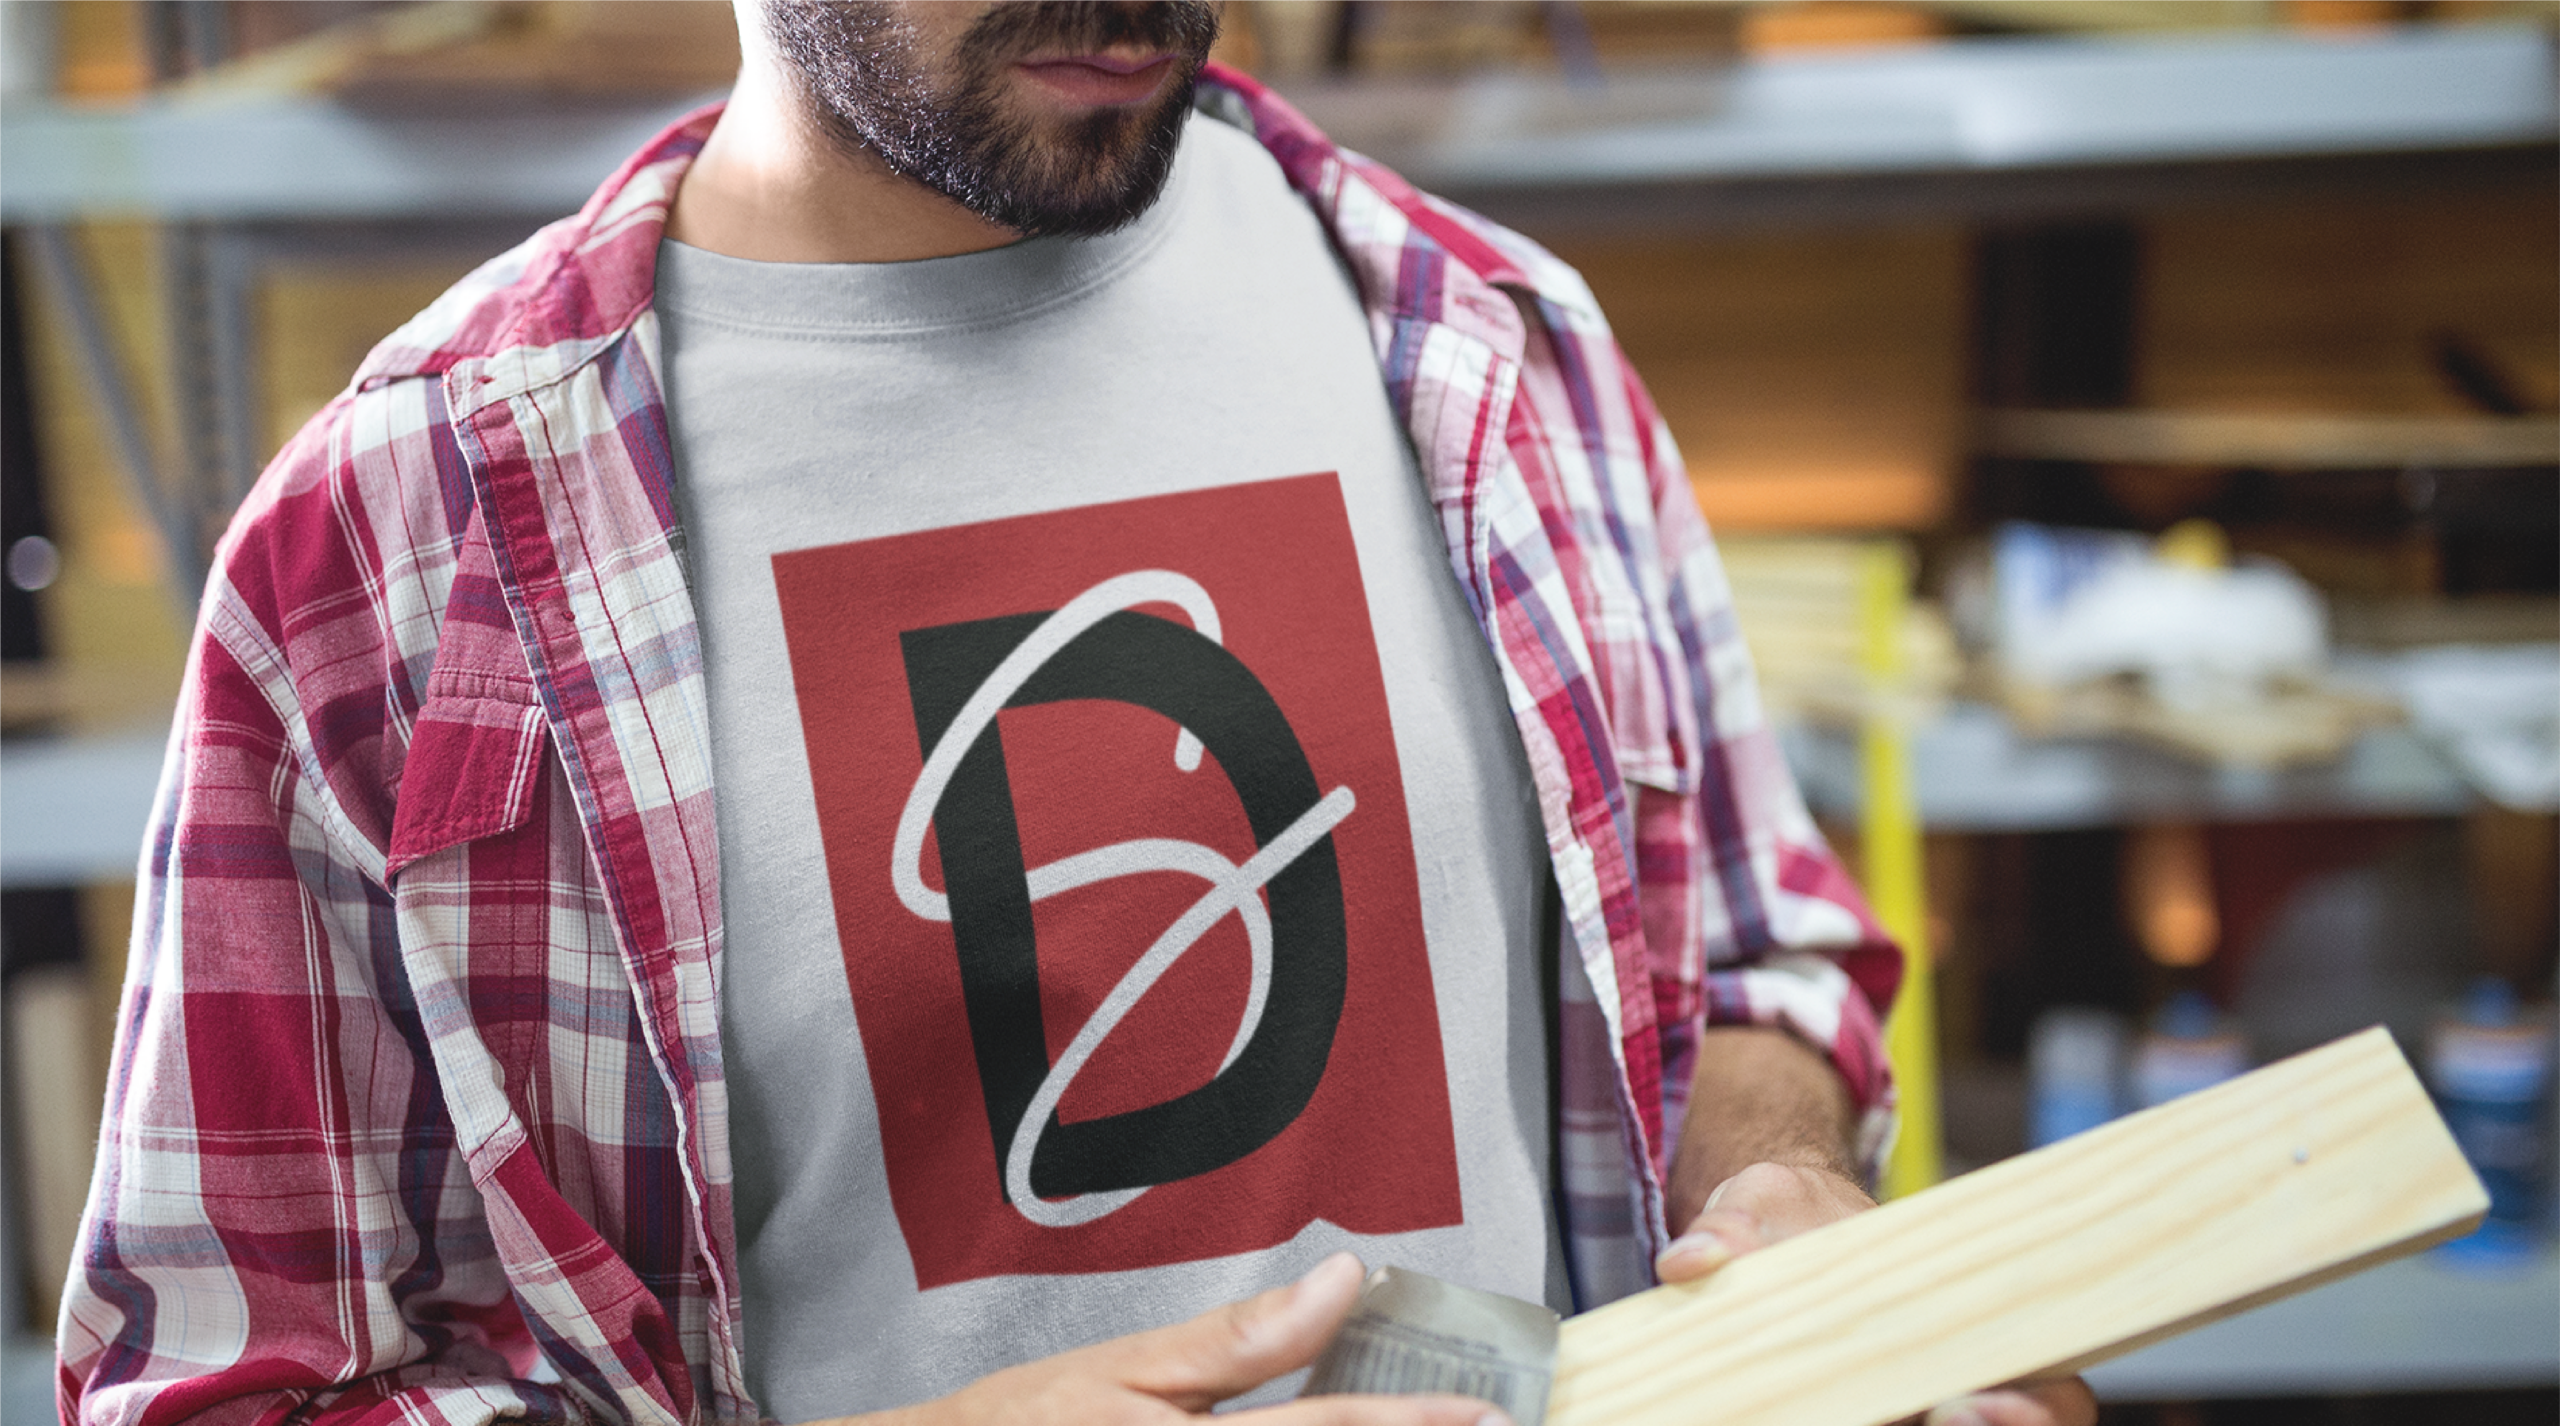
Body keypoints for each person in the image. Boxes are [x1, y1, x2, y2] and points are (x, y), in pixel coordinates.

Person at [57, 1, 2097, 1424]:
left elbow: (1744, 943)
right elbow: (222, 1386)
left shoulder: (1490, 348)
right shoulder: (398, 552)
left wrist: (1778, 1190)